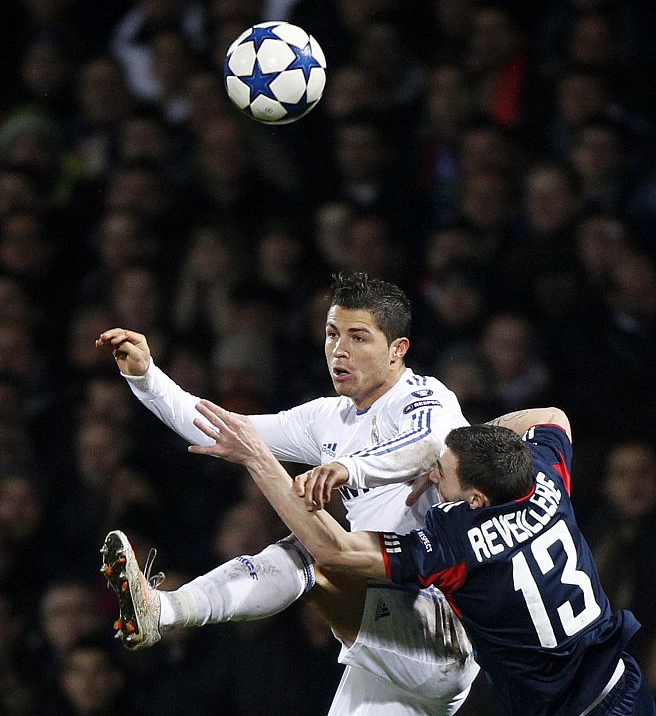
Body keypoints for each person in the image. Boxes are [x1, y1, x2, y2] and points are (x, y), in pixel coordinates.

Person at [96, 271, 485, 715]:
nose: (340, 350)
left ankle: (166, 610)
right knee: (319, 550)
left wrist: (348, 467)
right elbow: (224, 429)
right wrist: (147, 378)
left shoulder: (425, 397)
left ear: (397, 349)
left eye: (359, 337)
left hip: (441, 623)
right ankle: (160, 611)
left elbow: (429, 444)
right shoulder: (327, 418)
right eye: (332, 334)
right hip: (387, 631)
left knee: (313, 551)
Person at [193, 403, 656, 715]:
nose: (433, 476)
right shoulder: (540, 472)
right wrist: (473, 450)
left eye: (442, 472)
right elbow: (553, 416)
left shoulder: (457, 542)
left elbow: (333, 550)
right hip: (623, 684)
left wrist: (258, 459)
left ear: (476, 499)